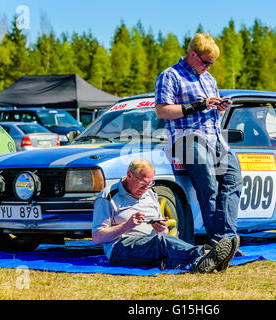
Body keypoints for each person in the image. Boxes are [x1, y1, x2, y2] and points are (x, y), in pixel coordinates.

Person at [154, 33, 243, 253]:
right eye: (206, 62)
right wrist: (200, 104)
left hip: (215, 138)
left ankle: (227, 240)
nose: (209, 67)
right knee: (209, 186)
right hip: (188, 139)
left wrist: (219, 108)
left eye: (212, 64)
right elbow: (162, 110)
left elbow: (210, 111)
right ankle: (219, 242)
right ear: (192, 54)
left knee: (233, 181)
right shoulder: (170, 76)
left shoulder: (209, 80)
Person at [92, 158, 239, 273]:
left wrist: (161, 228)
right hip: (120, 248)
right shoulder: (108, 196)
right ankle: (206, 252)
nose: (145, 188)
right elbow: (97, 237)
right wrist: (127, 225)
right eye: (142, 183)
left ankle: (201, 264)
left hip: (150, 245)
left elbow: (164, 233)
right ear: (129, 175)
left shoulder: (150, 193)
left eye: (150, 184)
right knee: (161, 243)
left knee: (166, 256)